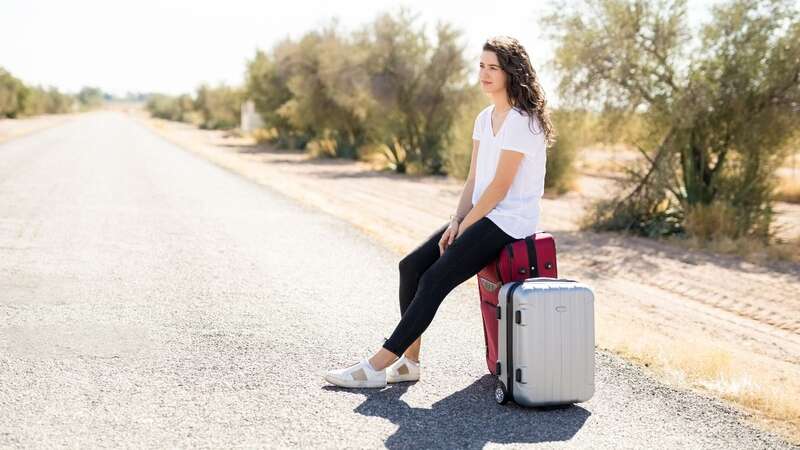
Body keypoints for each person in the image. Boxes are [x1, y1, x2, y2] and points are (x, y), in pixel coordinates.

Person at [324, 35, 555, 388]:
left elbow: (499, 188)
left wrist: (464, 228)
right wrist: (455, 220)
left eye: (494, 67)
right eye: (481, 66)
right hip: (483, 214)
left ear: (512, 72)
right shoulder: (485, 118)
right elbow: (475, 179)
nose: (485, 73)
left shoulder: (523, 121)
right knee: (412, 266)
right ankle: (408, 363)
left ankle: (376, 365)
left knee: (435, 279)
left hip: (509, 221)